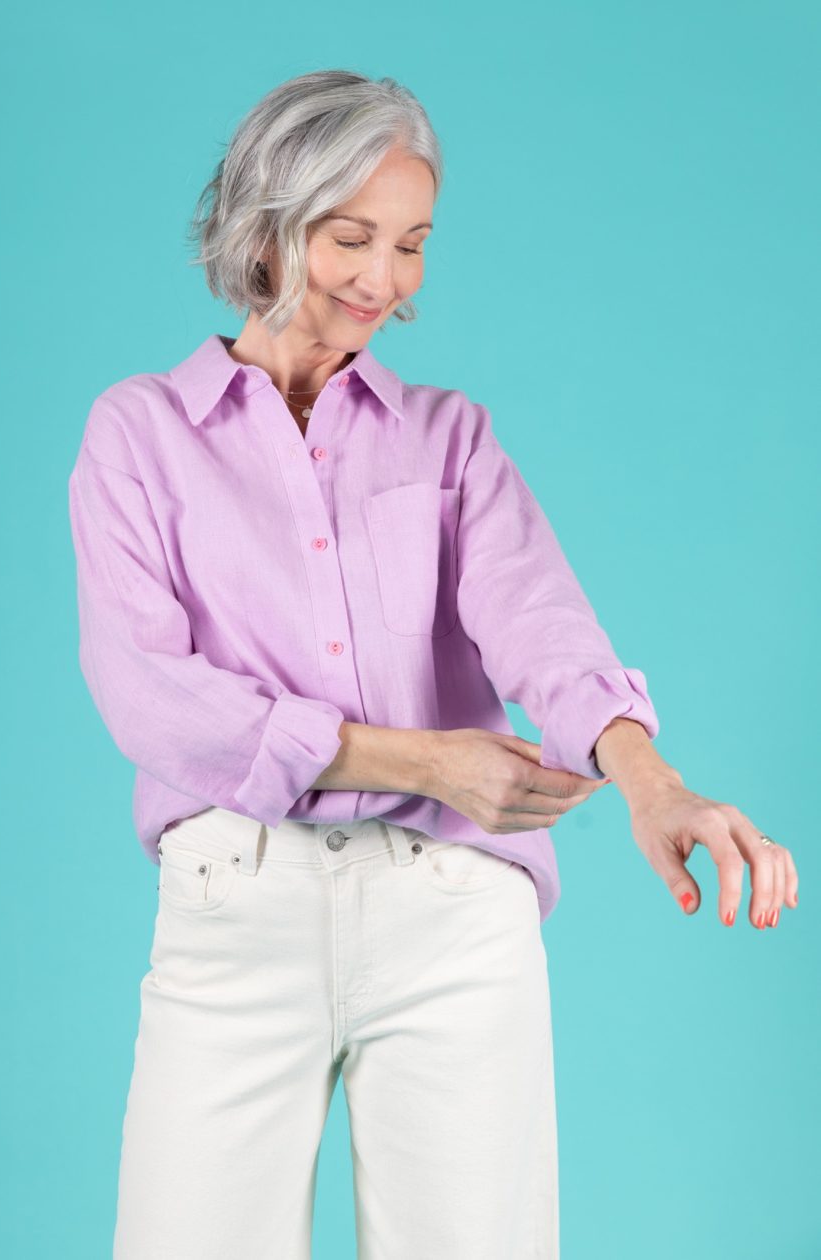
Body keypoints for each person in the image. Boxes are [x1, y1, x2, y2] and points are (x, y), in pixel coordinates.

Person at [67, 69, 799, 1260]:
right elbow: (150, 695)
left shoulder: (446, 438)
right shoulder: (138, 435)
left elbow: (543, 625)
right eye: (350, 237)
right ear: (266, 225)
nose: (383, 278)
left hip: (450, 913)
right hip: (235, 906)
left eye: (410, 244)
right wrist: (421, 762)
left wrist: (653, 785)